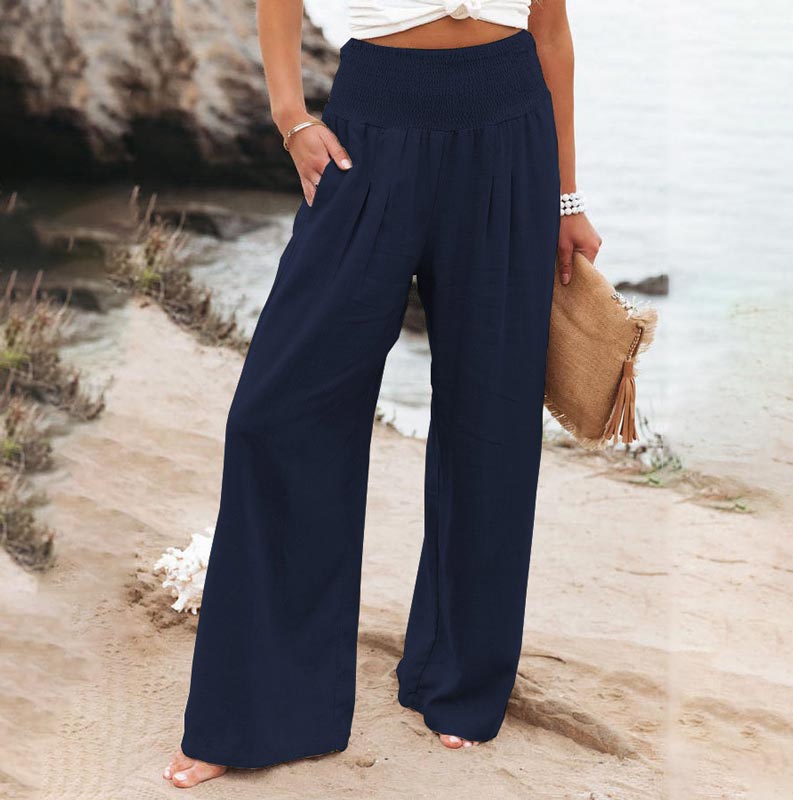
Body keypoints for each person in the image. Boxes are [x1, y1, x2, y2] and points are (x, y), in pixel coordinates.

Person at [163, 0, 601, 788]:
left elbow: (550, 29)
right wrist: (291, 118)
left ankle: (458, 679)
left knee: (493, 419)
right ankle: (257, 710)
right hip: (372, 125)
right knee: (276, 414)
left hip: (510, 127)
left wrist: (567, 200)